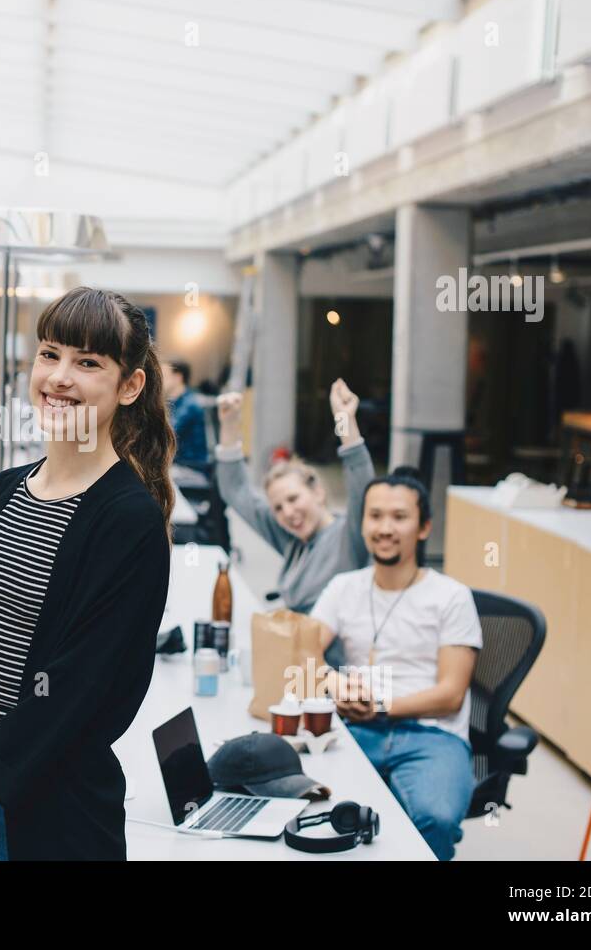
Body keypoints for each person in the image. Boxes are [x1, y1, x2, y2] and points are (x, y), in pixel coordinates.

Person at [0, 287, 174, 860]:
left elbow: (74, 697)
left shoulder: (128, 521)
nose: (60, 377)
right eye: (50, 354)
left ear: (129, 386)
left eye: (88, 362)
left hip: (53, 823)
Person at [310, 468, 482, 861]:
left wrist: (381, 706)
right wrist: (332, 684)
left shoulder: (451, 597)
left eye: (399, 517)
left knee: (434, 818)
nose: (385, 528)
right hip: (355, 728)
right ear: (362, 523)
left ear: (423, 528)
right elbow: (302, 651)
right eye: (375, 516)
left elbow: (451, 695)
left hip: (431, 735)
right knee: (313, 808)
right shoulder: (344, 588)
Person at [215, 378, 373, 613]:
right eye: (277, 507)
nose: (288, 512)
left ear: (318, 492)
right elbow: (236, 492)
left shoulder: (348, 536)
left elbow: (362, 483)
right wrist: (229, 425)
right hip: (297, 646)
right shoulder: (293, 537)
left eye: (293, 499)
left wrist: (344, 420)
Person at [162, 359, 211, 477]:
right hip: (179, 466)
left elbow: (167, 434)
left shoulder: (190, 404)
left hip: (191, 469)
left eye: (163, 375)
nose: (159, 380)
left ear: (177, 377)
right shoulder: (175, 402)